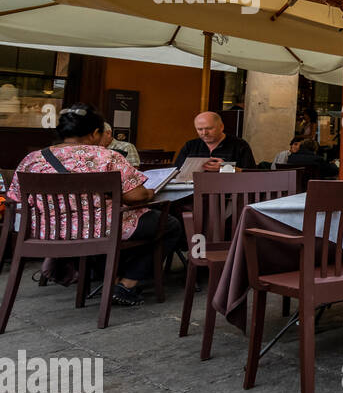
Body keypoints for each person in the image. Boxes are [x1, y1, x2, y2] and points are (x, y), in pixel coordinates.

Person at [7, 104, 184, 306]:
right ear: (94, 133)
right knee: (168, 224)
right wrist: (149, 192)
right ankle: (126, 284)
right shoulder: (106, 156)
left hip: (48, 231)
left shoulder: (31, 159)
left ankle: (111, 277)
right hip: (99, 229)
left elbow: (15, 197)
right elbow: (135, 197)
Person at [173, 111, 256, 172]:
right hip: (193, 190)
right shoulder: (190, 145)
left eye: (209, 128)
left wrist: (225, 168)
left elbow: (251, 173)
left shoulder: (240, 145)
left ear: (221, 127)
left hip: (227, 191)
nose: (204, 133)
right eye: (200, 129)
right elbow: (176, 170)